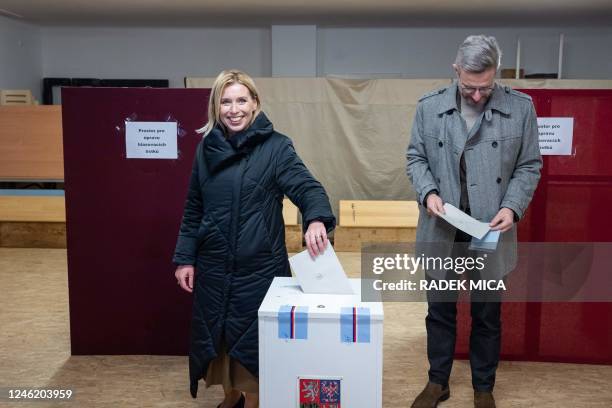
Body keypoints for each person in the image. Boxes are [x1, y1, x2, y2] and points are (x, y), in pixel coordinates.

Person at [173, 69, 335, 408]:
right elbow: (193, 207)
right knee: (219, 344)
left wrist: (316, 218)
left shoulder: (276, 148)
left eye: (241, 100)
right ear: (216, 107)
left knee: (256, 353)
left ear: (255, 103)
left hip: (260, 271)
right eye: (226, 101)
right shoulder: (206, 149)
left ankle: (255, 402)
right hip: (214, 269)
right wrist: (185, 258)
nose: (234, 109)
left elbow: (307, 187)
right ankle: (230, 398)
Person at [406, 35, 542, 408]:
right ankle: (438, 383)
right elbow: (415, 158)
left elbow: (529, 165)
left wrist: (512, 207)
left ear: (495, 73)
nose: (478, 95)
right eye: (469, 86)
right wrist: (429, 192)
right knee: (440, 311)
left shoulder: (521, 108)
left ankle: (484, 388)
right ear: (456, 71)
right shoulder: (429, 107)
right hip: (441, 230)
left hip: (489, 231)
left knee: (486, 314)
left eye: (486, 87)